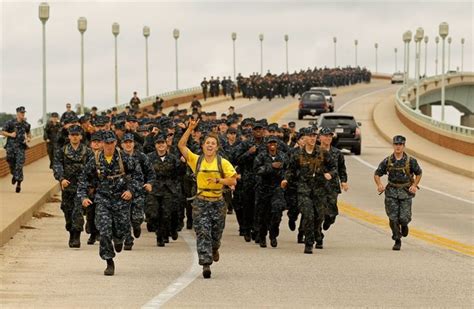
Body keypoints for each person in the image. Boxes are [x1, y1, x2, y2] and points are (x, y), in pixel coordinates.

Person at [77, 131, 143, 276]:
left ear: (115, 143)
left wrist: (131, 190)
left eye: (111, 143)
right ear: (101, 144)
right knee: (104, 231)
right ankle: (109, 261)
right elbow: (83, 180)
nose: (108, 146)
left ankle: (119, 238)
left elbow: (138, 176)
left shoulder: (124, 158)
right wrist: (83, 197)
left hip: (121, 199)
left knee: (122, 228)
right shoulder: (95, 160)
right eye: (105, 143)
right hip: (103, 199)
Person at [178, 119, 237, 279]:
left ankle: (215, 248)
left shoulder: (222, 163)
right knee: (203, 232)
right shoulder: (196, 160)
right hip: (201, 202)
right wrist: (190, 128)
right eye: (207, 143)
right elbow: (181, 146)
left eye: (213, 143)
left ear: (217, 147)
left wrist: (219, 181)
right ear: (203, 146)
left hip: (217, 202)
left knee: (216, 234)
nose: (210, 145)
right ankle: (206, 263)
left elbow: (233, 180)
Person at [281, 128, 335, 254]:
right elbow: (290, 170)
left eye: (314, 136)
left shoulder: (322, 153)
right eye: (309, 136)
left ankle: (317, 233)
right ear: (304, 138)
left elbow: (333, 167)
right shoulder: (297, 155)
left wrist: (330, 174)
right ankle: (309, 243)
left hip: (319, 190)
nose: (312, 138)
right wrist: (286, 180)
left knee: (319, 217)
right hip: (304, 190)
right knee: (308, 215)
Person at [374, 135, 422, 251]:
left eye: (400, 145)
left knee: (404, 218)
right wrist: (379, 185)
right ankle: (397, 239)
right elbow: (377, 174)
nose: (398, 147)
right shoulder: (388, 160)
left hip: (405, 192)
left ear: (404, 146)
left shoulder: (411, 161)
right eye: (396, 144)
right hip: (391, 192)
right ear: (393, 145)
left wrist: (414, 185)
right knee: (393, 218)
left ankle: (404, 226)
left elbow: (419, 173)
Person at [53, 125, 94, 248]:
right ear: (69, 136)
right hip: (67, 185)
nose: (75, 137)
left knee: (78, 211)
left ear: (81, 136)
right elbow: (57, 166)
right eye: (72, 135)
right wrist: (61, 179)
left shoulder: (87, 151)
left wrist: (90, 184)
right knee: (67, 210)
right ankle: (71, 231)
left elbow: (92, 169)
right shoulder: (62, 151)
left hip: (82, 187)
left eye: (77, 135)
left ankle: (76, 237)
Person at [121, 133, 155, 250]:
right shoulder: (118, 158)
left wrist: (150, 183)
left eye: (130, 142)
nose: (128, 144)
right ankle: (128, 240)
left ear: (134, 143)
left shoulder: (141, 157)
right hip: (123, 191)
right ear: (122, 145)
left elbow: (150, 172)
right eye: (126, 142)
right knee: (124, 217)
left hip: (138, 191)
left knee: (137, 218)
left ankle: (136, 226)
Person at [253, 136, 288, 248]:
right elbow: (257, 170)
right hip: (264, 188)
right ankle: (262, 236)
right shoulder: (261, 156)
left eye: (274, 143)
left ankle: (273, 235)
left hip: (277, 188)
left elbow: (289, 170)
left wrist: (285, 179)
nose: (272, 145)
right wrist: (270, 166)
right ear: (267, 145)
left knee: (277, 213)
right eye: (270, 143)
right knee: (263, 215)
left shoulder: (283, 156)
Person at [318, 127, 348, 234]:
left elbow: (341, 168)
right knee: (318, 212)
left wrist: (343, 181)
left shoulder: (337, 153)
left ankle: (328, 221)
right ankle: (318, 236)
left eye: (330, 136)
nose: (328, 138)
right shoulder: (315, 152)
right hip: (317, 186)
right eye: (326, 136)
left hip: (332, 187)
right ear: (320, 137)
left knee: (332, 213)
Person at [1, 106, 31, 193]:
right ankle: (14, 175)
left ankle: (19, 184)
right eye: (21, 113)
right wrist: (10, 134)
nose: (23, 114)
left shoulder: (26, 124)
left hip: (21, 147)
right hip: (10, 147)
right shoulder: (10, 123)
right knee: (11, 163)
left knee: (19, 165)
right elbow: (2, 132)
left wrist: (28, 138)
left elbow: (28, 132)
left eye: (24, 113)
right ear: (17, 113)